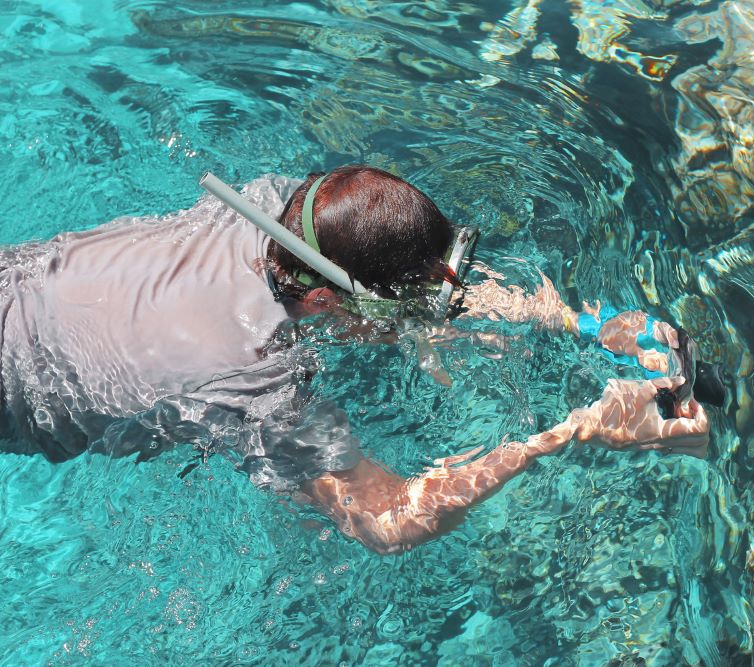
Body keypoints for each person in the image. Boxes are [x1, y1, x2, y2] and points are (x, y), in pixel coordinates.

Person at [0, 165, 710, 554]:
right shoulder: (254, 383)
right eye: (399, 309)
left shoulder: (276, 205)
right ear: (319, 302)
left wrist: (582, 321)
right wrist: (579, 428)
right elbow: (388, 521)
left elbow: (413, 281)